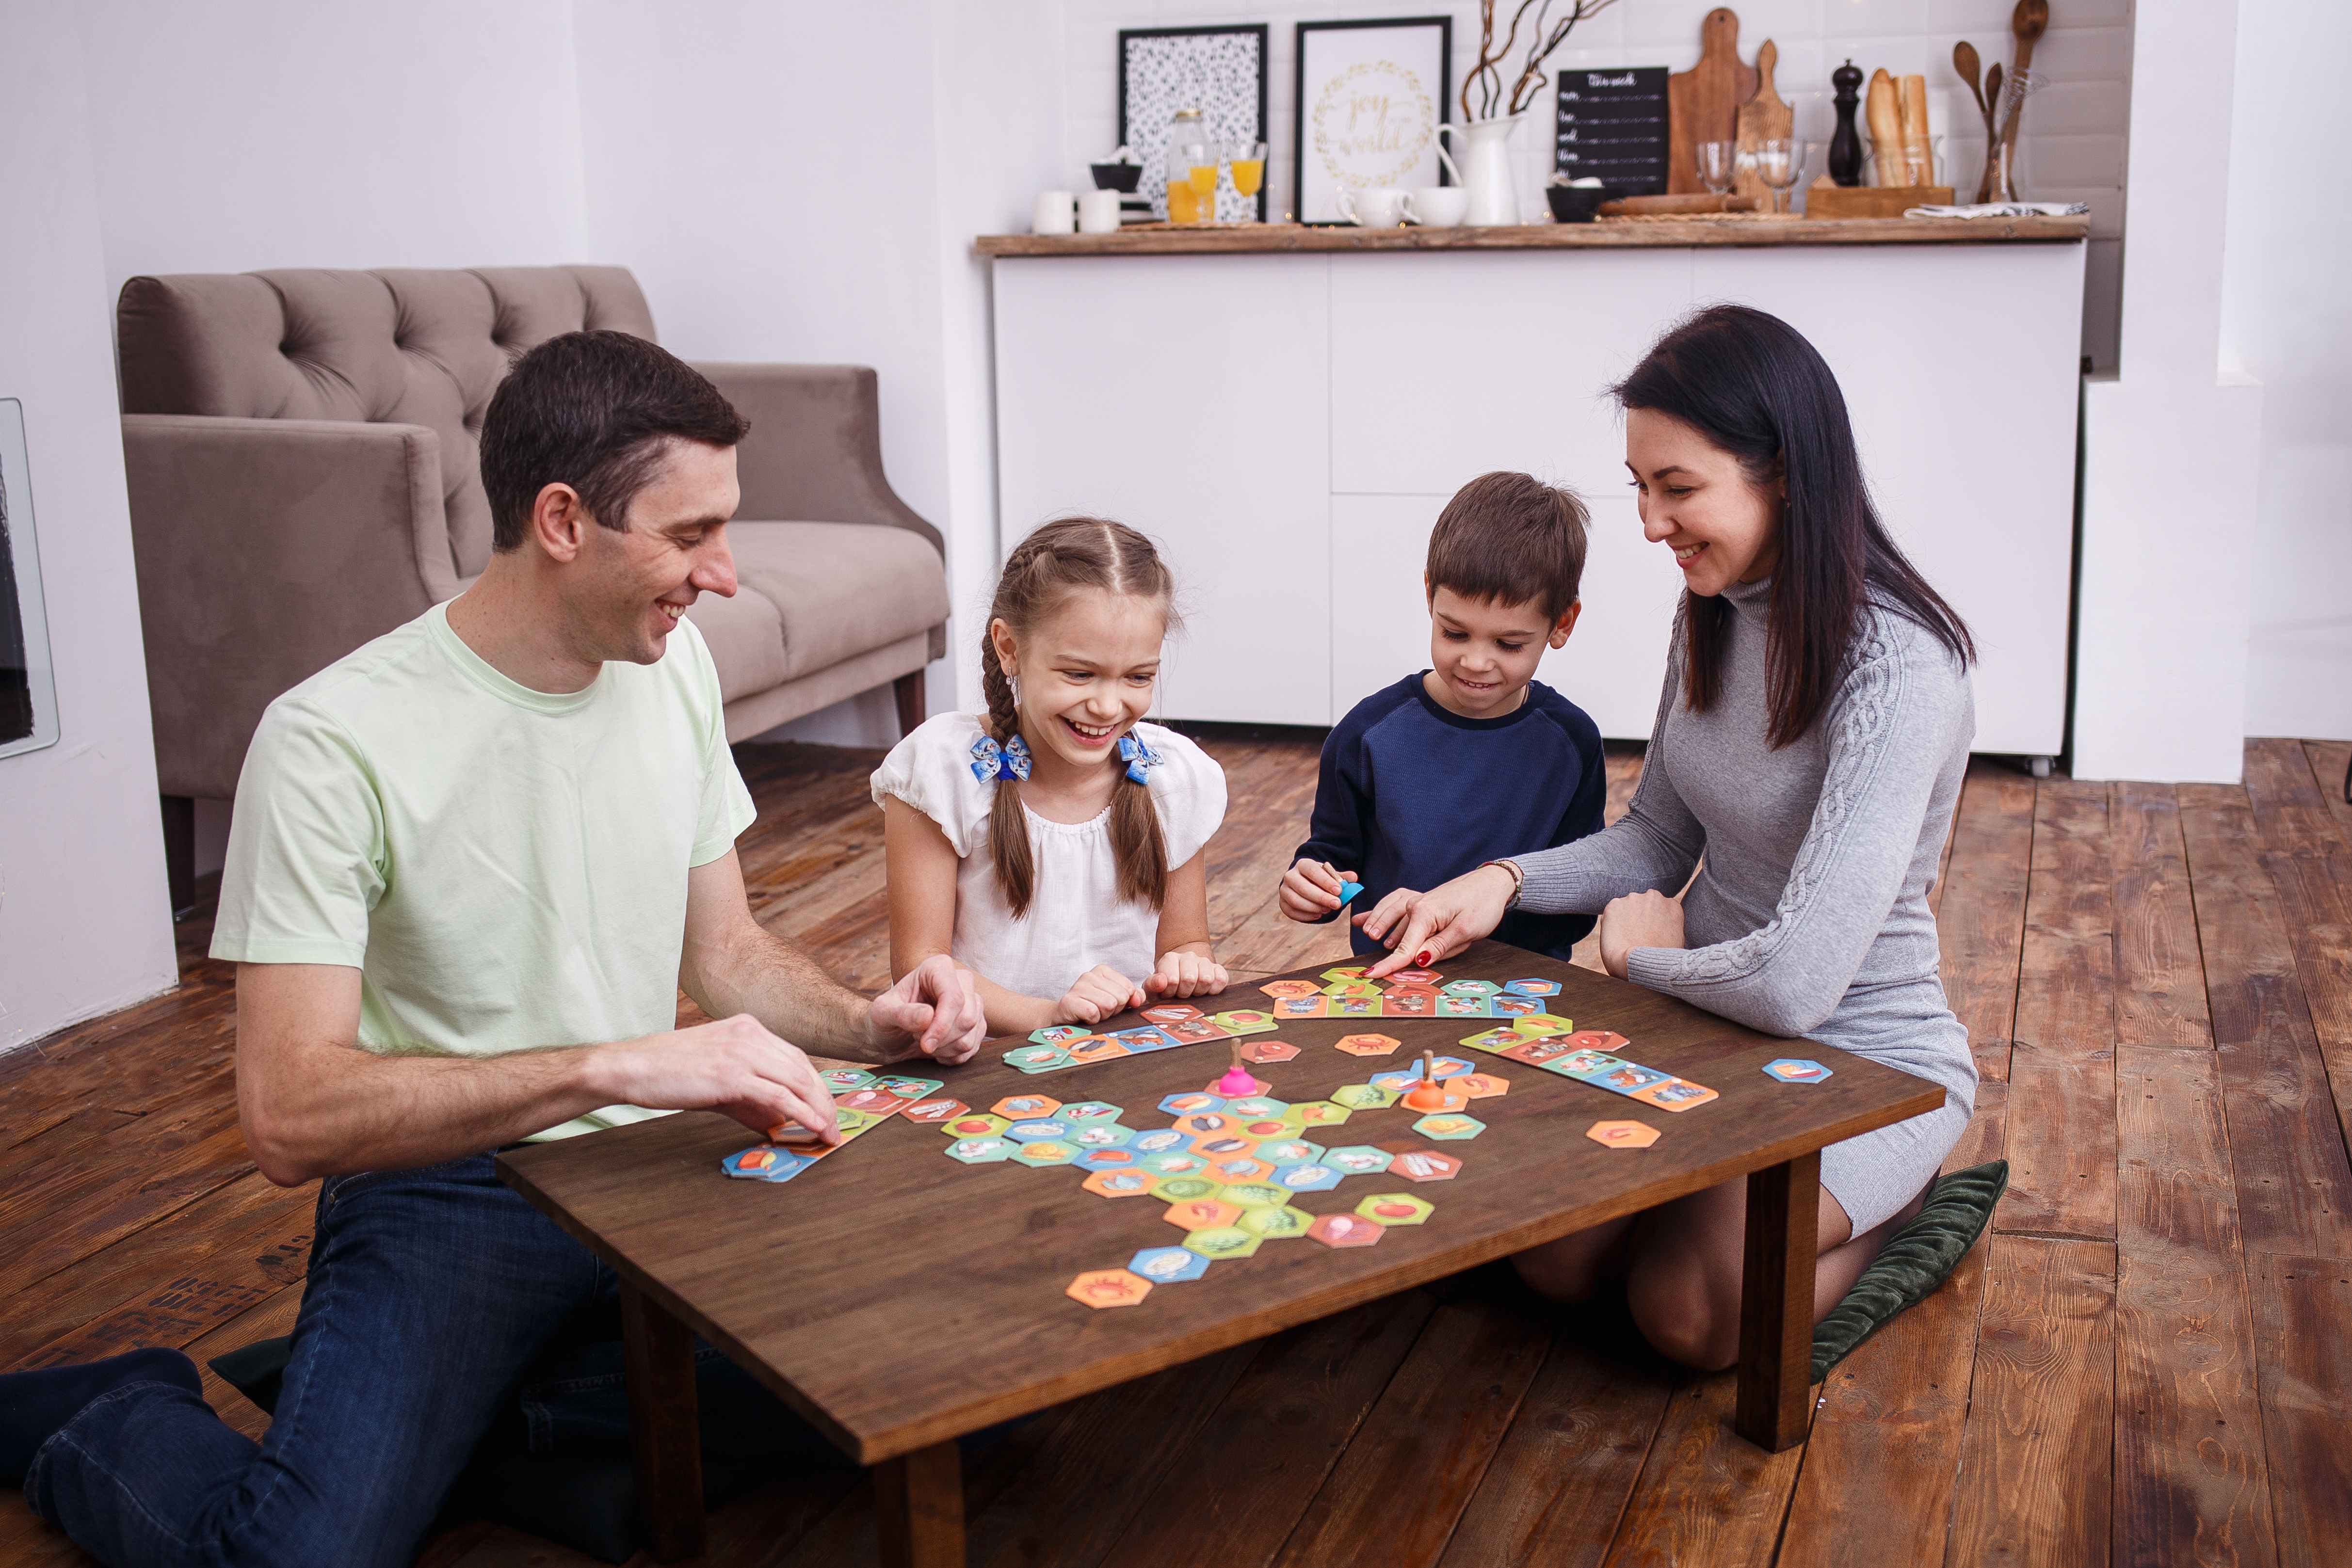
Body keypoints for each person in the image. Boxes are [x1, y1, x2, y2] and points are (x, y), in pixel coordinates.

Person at [3, 330, 987, 1567]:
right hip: (455, 1184)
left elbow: (725, 950)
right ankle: (111, 1410)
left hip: (660, 1159)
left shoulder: (665, 669)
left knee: (958, 1380)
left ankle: (485, 1415)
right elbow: (287, 1118)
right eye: (691, 536)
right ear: (564, 520)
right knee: (291, 1559)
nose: (726, 575)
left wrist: (870, 1023)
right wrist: (610, 1066)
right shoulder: (329, 742)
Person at [1367, 305, 1979, 1371]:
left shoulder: (1900, 667)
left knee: (1684, 1315)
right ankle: (1732, 1202)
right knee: (1552, 1263)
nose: (1648, 523)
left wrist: (1638, 956)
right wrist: (1500, 882)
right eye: (1640, 486)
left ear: (1781, 470)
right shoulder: (1713, 608)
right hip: (1704, 1023)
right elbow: (1655, 840)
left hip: (1856, 1052)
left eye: (1677, 488)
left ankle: (1900, 1196)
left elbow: (1794, 986)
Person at [877, 517, 1229, 1036]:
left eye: (1138, 677)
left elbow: (1184, 943)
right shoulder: (940, 772)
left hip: (1122, 1055)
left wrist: (1187, 966)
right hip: (982, 1060)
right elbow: (920, 968)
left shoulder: (1171, 779)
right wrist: (1050, 1017)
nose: (1108, 705)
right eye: (1079, 673)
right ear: (1010, 648)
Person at [1279, 471, 1608, 961]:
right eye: (1455, 634)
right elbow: (1333, 856)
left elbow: (1580, 900)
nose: (1476, 662)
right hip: (1393, 984)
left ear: (1562, 623)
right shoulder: (1367, 734)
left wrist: (1476, 921)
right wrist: (1311, 884)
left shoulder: (1572, 742)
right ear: (1430, 595)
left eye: (1508, 644)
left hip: (1526, 992)